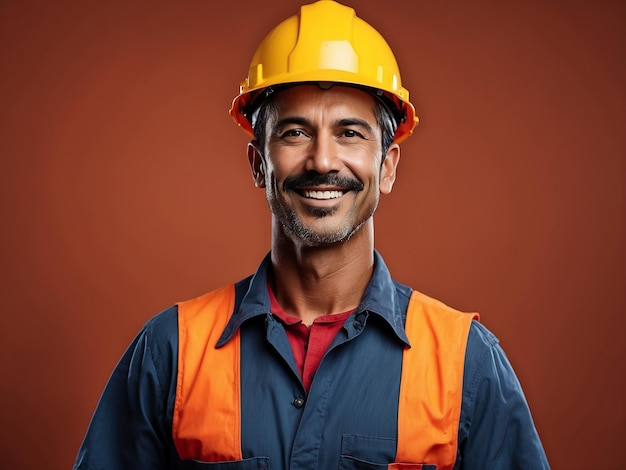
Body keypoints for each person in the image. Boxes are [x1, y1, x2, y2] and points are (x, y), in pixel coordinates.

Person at [73, 1, 550, 468]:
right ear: (259, 164)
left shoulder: (465, 360)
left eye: (350, 133)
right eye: (295, 133)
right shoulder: (172, 350)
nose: (322, 160)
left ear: (386, 167)